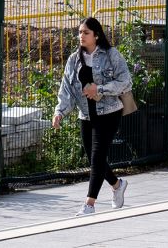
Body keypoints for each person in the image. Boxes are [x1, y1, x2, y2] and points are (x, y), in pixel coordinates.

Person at [52, 17, 133, 216]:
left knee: (97, 158)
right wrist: (59, 112)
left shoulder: (111, 55)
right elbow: (67, 89)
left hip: (109, 112)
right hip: (87, 115)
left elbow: (125, 81)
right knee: (93, 158)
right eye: (80, 32)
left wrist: (101, 88)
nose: (81, 36)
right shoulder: (74, 60)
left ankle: (89, 204)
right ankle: (117, 184)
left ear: (96, 35)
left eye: (86, 32)